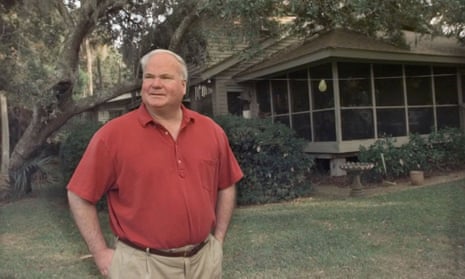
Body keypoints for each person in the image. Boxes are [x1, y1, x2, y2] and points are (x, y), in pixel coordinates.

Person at [67, 49, 243, 278]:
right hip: (142, 266)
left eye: (165, 77)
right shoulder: (112, 135)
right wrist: (100, 252)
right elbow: (78, 195)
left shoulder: (211, 131)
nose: (155, 84)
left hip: (204, 263)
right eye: (149, 77)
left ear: (183, 86)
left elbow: (226, 184)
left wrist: (218, 240)